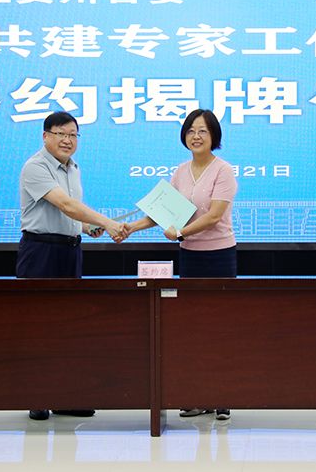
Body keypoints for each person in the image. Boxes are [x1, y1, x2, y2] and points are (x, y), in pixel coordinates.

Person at [125, 108, 238, 421]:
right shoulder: (180, 171)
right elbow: (164, 213)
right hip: (190, 256)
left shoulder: (223, 170)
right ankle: (196, 395)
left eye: (202, 130)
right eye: (190, 130)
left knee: (220, 327)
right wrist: (131, 228)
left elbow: (214, 216)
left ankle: (222, 397)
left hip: (219, 256)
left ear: (214, 136)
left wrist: (180, 232)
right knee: (193, 327)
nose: (196, 136)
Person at [17, 111, 127, 421]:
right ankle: (37, 396)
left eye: (73, 135)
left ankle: (65, 397)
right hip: (41, 252)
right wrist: (107, 222)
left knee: (69, 327)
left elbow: (68, 215)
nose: (67, 140)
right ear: (45, 136)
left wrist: (88, 228)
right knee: (38, 326)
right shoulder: (35, 166)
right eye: (61, 134)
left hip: (69, 251)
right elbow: (65, 205)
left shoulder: (73, 168)